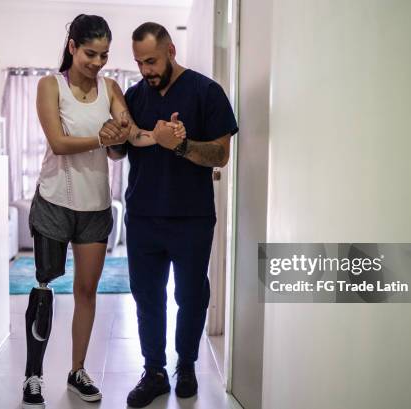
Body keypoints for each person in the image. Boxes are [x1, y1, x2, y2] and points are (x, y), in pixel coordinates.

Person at [22, 15, 184, 409]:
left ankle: (77, 370)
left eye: (104, 55)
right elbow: (59, 143)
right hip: (55, 200)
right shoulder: (50, 85)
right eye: (90, 53)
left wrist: (159, 137)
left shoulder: (110, 88)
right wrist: (102, 137)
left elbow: (124, 140)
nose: (97, 62)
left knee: (86, 292)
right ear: (73, 46)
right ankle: (33, 376)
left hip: (95, 207)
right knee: (45, 287)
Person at [107, 22, 239, 408]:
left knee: (191, 296)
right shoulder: (133, 96)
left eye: (151, 60)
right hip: (144, 216)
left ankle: (186, 364)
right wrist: (113, 143)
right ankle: (154, 371)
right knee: (147, 299)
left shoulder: (206, 92)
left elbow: (221, 155)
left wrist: (179, 145)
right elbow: (120, 152)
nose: (145, 69)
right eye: (139, 62)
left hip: (192, 218)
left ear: (170, 51)